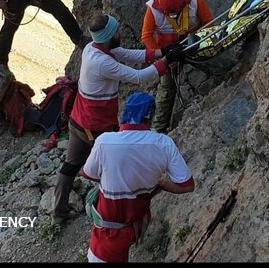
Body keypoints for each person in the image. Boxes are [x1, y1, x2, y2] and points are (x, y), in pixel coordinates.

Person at [52, 14, 187, 223]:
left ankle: (59, 213)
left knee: (70, 165)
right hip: (96, 127)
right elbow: (139, 77)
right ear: (109, 35)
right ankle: (115, 210)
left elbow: (130, 54)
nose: (120, 33)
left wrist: (163, 52)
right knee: (115, 163)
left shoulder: (93, 48)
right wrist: (166, 61)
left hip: (78, 120)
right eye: (117, 31)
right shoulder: (102, 62)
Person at [81, 92, 195, 263]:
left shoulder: (105, 141)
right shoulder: (164, 144)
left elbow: (88, 173)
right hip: (136, 225)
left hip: (110, 230)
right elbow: (187, 186)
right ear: (150, 117)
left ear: (125, 114)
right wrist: (161, 184)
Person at [141, 0, 214, 133]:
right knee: (167, 88)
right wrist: (162, 57)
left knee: (212, 63)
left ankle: (227, 76)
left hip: (194, 44)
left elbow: (210, 23)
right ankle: (159, 128)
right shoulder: (153, 10)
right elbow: (147, 36)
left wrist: (195, 41)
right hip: (168, 53)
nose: (172, 16)